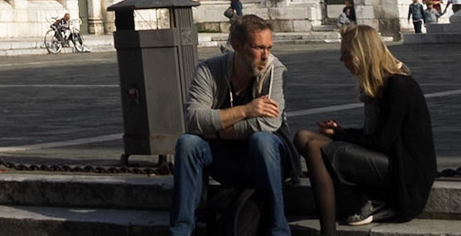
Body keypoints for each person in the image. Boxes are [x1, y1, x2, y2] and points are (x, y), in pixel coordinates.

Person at [295, 24, 435, 231]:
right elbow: (377, 138)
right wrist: (340, 132)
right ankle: (353, 199)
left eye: (347, 55)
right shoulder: (381, 85)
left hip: (405, 176)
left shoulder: (398, 86)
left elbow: (380, 142)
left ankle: (328, 230)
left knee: (315, 148)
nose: (342, 61)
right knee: (303, 137)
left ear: (363, 54)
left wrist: (342, 135)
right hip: (389, 161)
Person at [167, 13, 290, 236]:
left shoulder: (274, 69)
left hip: (267, 158)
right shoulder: (209, 71)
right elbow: (193, 119)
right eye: (258, 48)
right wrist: (245, 110)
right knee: (188, 143)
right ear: (237, 45)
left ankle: (279, 230)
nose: (265, 55)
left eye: (269, 48)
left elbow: (269, 122)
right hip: (227, 158)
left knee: (262, 140)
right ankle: (181, 231)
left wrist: (219, 132)